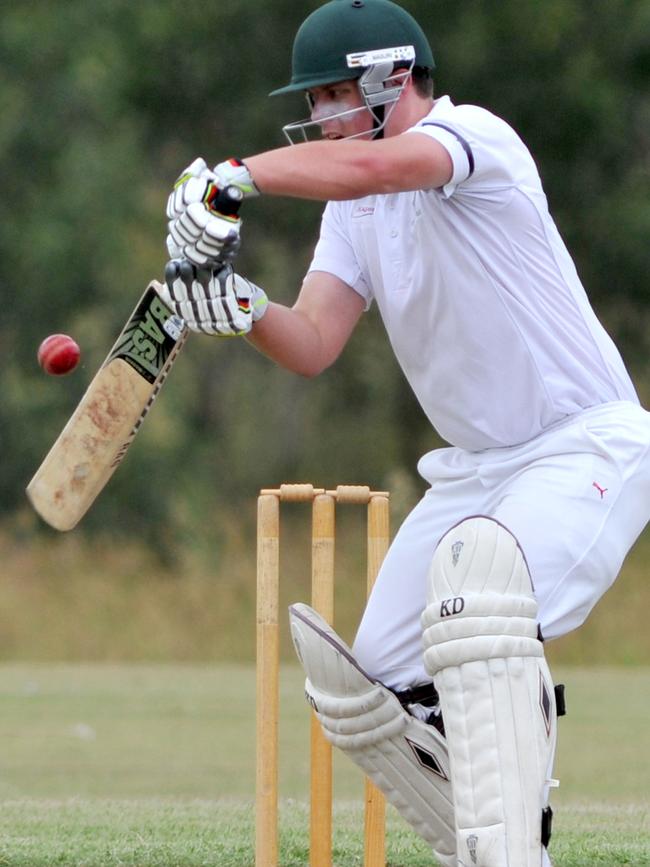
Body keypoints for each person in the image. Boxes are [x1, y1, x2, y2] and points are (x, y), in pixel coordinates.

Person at [160, 1, 650, 864]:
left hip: (584, 446)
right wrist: (239, 307)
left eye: (329, 95)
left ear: (390, 78)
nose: (316, 118)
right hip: (476, 472)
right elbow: (313, 341)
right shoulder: (354, 212)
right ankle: (487, 834)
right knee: (367, 687)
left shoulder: (474, 139)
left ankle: (510, 849)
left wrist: (233, 176)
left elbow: (373, 170)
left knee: (479, 596)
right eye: (313, 102)